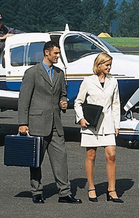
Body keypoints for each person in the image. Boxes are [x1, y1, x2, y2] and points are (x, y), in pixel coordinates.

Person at [18, 41, 81, 204]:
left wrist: (64, 101)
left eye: (58, 53)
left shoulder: (59, 73)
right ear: (46, 53)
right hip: (37, 122)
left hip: (56, 124)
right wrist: (23, 123)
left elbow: (63, 93)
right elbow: (23, 100)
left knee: (61, 158)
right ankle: (37, 191)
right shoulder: (32, 73)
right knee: (36, 160)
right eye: (56, 53)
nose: (58, 56)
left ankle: (65, 193)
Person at [74, 53, 123, 203]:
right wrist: (81, 118)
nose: (109, 67)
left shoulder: (113, 82)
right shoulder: (88, 81)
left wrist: (117, 124)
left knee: (111, 155)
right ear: (99, 65)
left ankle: (112, 190)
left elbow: (116, 104)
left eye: (110, 65)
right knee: (91, 155)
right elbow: (78, 102)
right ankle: (91, 188)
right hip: (91, 124)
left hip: (108, 123)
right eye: (106, 65)